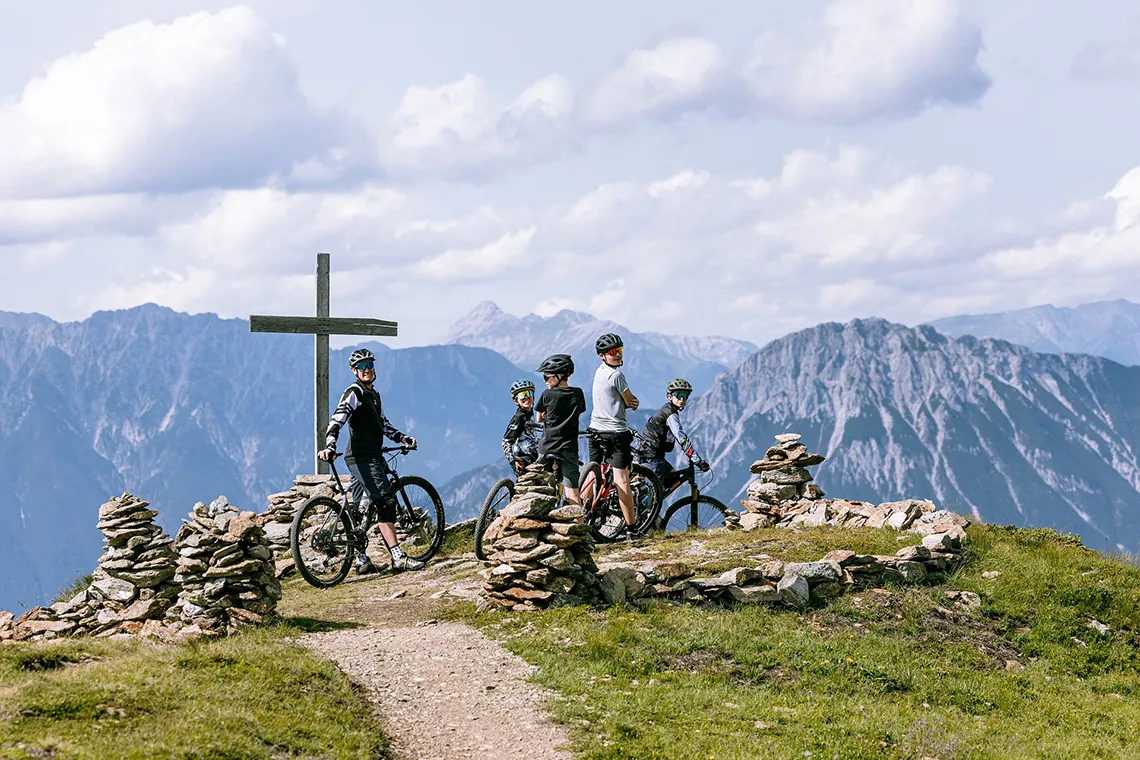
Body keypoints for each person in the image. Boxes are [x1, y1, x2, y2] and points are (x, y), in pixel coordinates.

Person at [319, 348, 424, 574]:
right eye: (362, 367)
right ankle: (398, 558)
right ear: (354, 371)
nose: (367, 370)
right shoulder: (354, 393)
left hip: (369, 456)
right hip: (363, 458)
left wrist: (402, 438)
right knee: (385, 502)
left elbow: (383, 424)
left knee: (360, 508)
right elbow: (336, 420)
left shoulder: (373, 395)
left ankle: (361, 560)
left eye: (370, 365)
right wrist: (329, 446)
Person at [585, 333, 640, 537]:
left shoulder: (598, 372)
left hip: (595, 430)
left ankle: (580, 515)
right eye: (612, 352)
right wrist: (634, 402)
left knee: (593, 474)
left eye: (620, 350)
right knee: (622, 479)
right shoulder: (617, 376)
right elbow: (629, 401)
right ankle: (632, 529)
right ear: (602, 355)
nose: (617, 355)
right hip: (616, 433)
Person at [637, 378, 710, 493]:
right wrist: (696, 460)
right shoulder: (670, 414)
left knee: (674, 478)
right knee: (657, 492)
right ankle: (643, 509)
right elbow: (681, 438)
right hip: (652, 456)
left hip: (654, 454)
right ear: (670, 396)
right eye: (678, 395)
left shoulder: (668, 409)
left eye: (685, 396)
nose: (682, 399)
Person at [533, 354, 586, 505]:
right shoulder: (578, 393)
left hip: (547, 447)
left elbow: (539, 419)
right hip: (568, 447)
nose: (546, 381)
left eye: (547, 377)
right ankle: (578, 525)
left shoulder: (546, 395)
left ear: (559, 376)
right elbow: (577, 415)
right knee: (572, 491)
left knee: (539, 486)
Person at [502, 378, 542, 475]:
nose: (527, 397)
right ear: (516, 401)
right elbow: (506, 442)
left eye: (529, 394)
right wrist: (513, 461)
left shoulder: (529, 412)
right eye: (522, 395)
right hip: (524, 458)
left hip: (534, 453)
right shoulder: (519, 418)